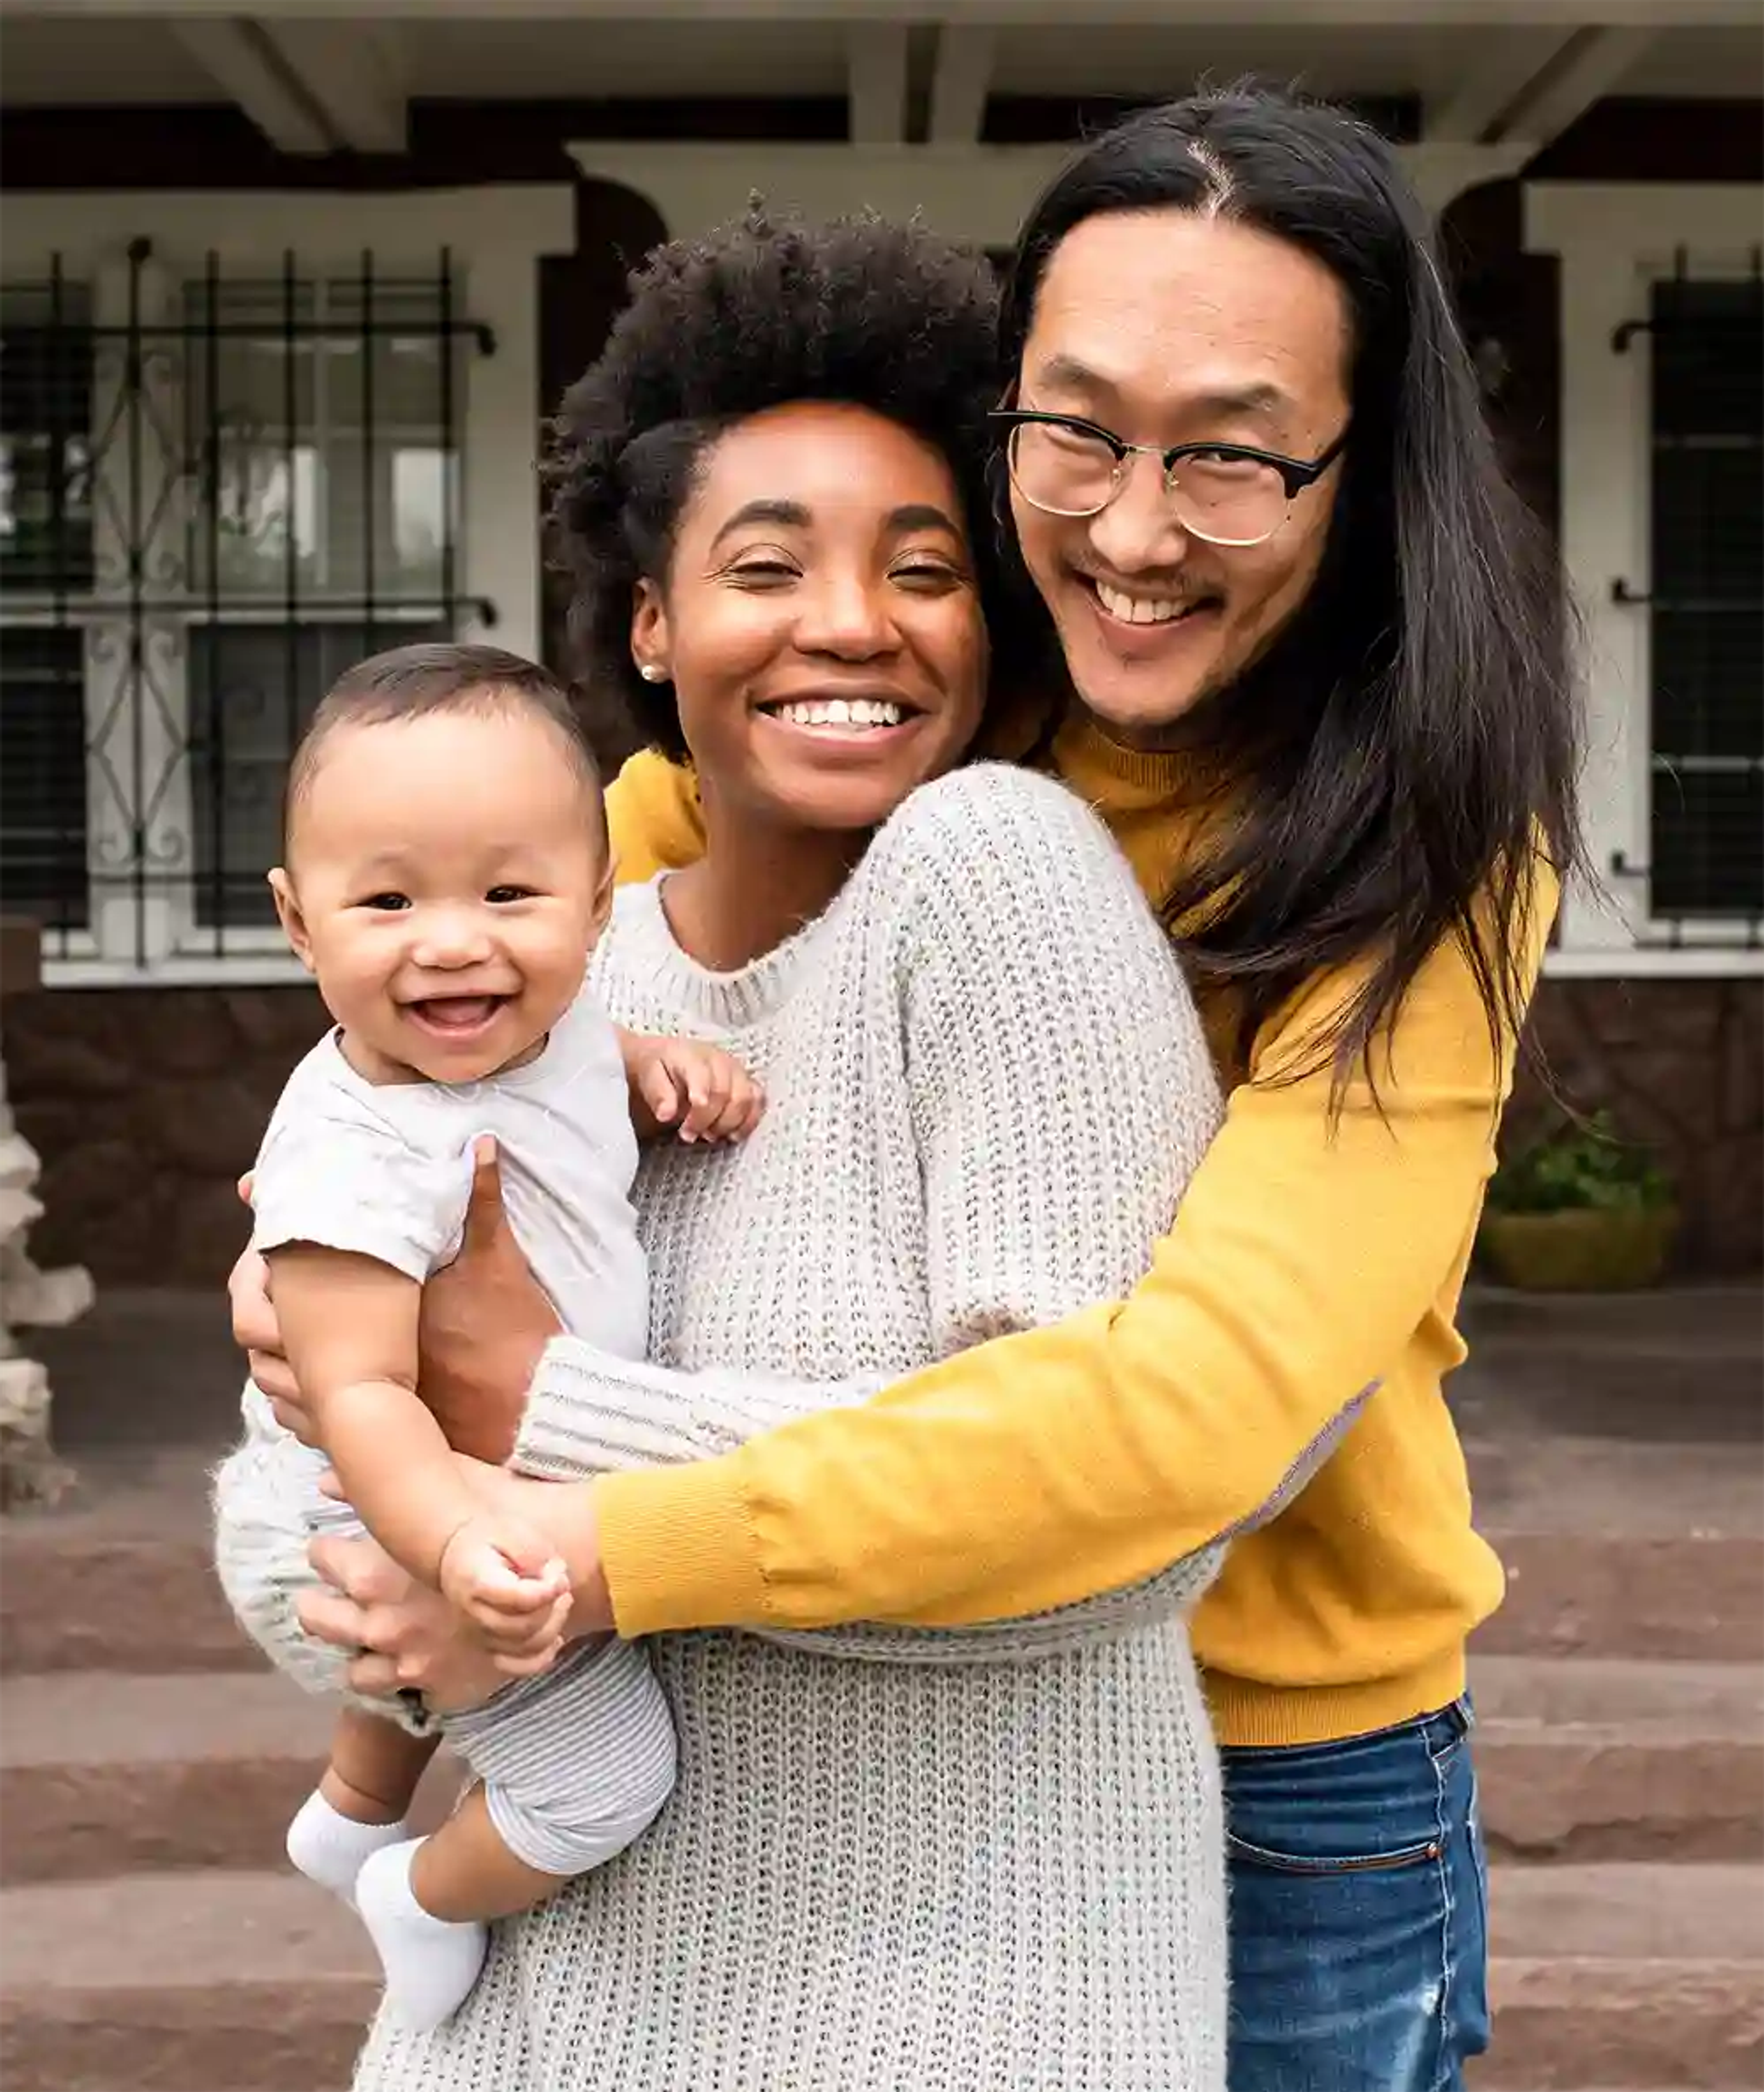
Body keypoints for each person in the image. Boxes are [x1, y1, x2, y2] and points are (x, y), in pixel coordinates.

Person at [215, 209, 1256, 2091]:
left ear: (984, 621)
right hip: (518, 2034)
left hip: (947, 2024)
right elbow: (285, 1514)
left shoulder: (994, 883)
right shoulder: (530, 965)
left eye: (924, 568)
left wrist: (545, 1426)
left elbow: (1117, 1533)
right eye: (766, 564)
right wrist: (375, 1587)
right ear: (649, 619)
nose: (851, 621)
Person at [220, 641, 759, 2030]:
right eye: (388, 899)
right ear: (298, 922)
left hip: (458, 1475)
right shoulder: (350, 1161)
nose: (453, 940)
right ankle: (418, 1891)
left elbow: (583, 1072)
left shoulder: (555, 1021)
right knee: (603, 1783)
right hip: (363, 1504)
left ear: (596, 906)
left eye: (509, 895)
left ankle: (348, 1810)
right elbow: (365, 1405)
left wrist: (652, 1068)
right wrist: (462, 1552)